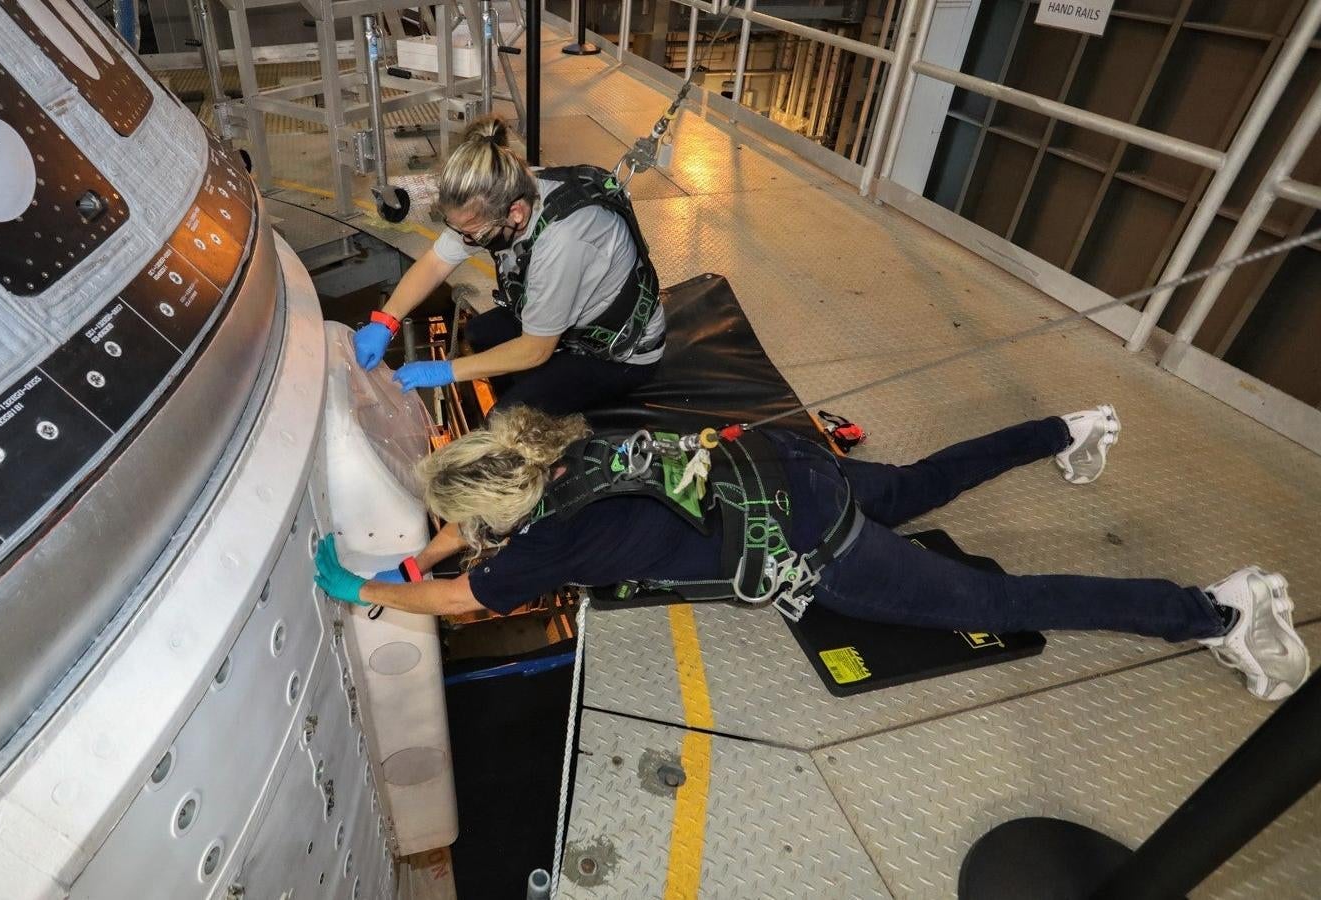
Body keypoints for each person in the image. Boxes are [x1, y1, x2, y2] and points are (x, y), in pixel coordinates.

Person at [314, 404, 1311, 702]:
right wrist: (417, 559)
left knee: (998, 602)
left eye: (466, 529)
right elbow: (467, 527)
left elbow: (462, 600)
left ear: (501, 515)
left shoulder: (544, 547)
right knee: (919, 482)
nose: (462, 544)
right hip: (794, 471)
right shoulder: (556, 445)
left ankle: (1213, 610)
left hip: (818, 546)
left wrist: (360, 583)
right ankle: (1068, 426)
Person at [351, 117, 665, 416]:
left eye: (474, 234)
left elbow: (534, 350)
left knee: (506, 418)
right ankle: (531, 392)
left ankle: (544, 420)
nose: (467, 240)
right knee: (480, 332)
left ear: (515, 213)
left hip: (616, 352)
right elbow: (435, 263)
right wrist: (385, 320)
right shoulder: (503, 188)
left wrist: (446, 371)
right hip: (573, 322)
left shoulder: (564, 240)